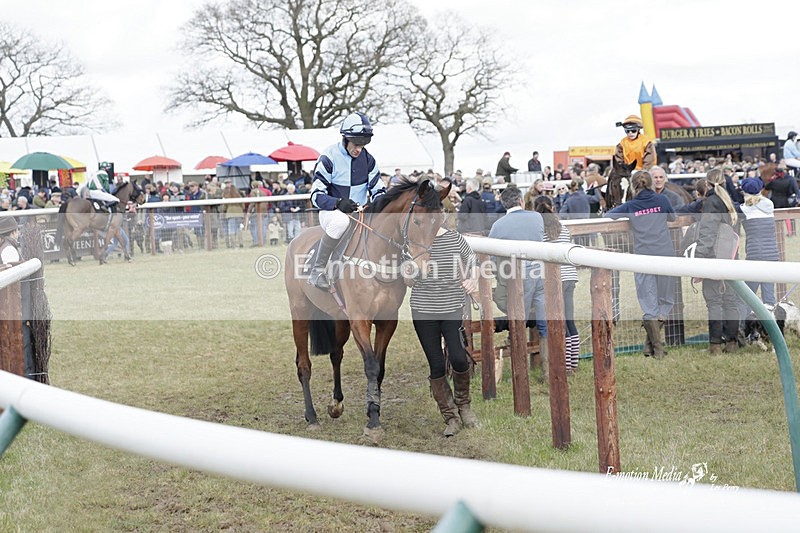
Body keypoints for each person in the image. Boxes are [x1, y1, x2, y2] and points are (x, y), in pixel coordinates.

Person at [410, 221, 479, 437]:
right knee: (436, 365)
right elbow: (407, 281)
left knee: (459, 358)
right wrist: (414, 271)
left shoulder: (454, 238)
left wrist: (473, 279)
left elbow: (473, 261)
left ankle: (464, 407)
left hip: (451, 307)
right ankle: (450, 416)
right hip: (423, 310)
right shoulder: (412, 241)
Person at [308, 112, 385, 289]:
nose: (359, 149)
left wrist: (377, 204)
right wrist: (337, 203)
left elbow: (379, 190)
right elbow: (315, 196)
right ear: (345, 138)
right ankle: (317, 271)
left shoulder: (369, 160)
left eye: (363, 144)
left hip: (359, 215)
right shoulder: (329, 157)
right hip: (332, 213)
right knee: (341, 221)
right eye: (356, 144)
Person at [605, 171, 677, 359]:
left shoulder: (631, 205)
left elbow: (609, 214)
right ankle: (655, 346)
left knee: (648, 300)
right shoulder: (662, 200)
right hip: (665, 255)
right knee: (666, 299)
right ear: (652, 183)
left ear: (633, 186)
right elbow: (673, 218)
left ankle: (653, 346)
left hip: (643, 256)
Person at [488, 186, 548, 379]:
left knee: (517, 320)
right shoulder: (537, 217)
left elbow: (491, 257)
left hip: (518, 278)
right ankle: (548, 370)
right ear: (521, 200)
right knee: (545, 323)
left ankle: (519, 371)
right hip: (542, 273)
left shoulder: (498, 226)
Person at [696, 168, 742, 354]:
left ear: (707, 184)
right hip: (731, 257)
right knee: (730, 300)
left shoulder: (711, 203)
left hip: (713, 259)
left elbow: (707, 233)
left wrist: (698, 259)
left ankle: (715, 345)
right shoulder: (728, 201)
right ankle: (731, 342)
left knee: (714, 301)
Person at [534, 196, 580, 373]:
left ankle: (565, 365)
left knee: (560, 323)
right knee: (570, 321)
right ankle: (573, 364)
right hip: (570, 276)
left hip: (555, 279)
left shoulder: (540, 233)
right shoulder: (564, 229)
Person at [738, 177, 779, 306]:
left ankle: (744, 323)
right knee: (769, 296)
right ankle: (772, 324)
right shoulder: (769, 204)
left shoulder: (744, 209)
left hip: (755, 254)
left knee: (748, 295)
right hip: (772, 255)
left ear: (744, 191)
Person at [221, 181, 244, 248]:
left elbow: (224, 207)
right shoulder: (239, 196)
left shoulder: (227, 196)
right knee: (238, 229)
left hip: (230, 214)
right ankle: (241, 242)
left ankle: (233, 244)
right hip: (239, 214)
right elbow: (243, 205)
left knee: (231, 229)